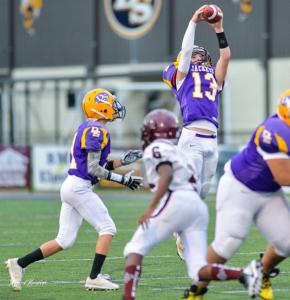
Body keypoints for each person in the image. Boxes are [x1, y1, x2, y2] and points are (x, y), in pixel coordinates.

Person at [6, 88, 143, 291]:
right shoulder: (97, 130)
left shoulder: (90, 128)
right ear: (101, 108)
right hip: (79, 188)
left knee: (64, 240)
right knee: (107, 228)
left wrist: (122, 161)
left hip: (74, 185)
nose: (115, 108)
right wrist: (123, 180)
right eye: (111, 104)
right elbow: (93, 168)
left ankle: (19, 264)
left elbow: (95, 166)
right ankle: (94, 278)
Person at [121, 109, 262, 300]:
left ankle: (128, 297)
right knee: (197, 270)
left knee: (134, 249)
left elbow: (166, 175)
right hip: (196, 207)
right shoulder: (177, 152)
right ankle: (245, 274)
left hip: (176, 201)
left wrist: (152, 208)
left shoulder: (156, 149)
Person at [194, 89, 290, 300]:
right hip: (240, 186)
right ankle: (196, 290)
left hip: (268, 191)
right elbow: (284, 176)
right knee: (228, 241)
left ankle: (261, 273)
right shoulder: (274, 131)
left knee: (287, 241)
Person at [162, 5, 231, 261]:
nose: (200, 57)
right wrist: (193, 21)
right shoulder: (182, 77)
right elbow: (187, 52)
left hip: (211, 140)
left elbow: (226, 57)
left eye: (203, 55)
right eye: (196, 55)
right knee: (191, 191)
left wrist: (219, 29)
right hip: (191, 137)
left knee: (202, 192)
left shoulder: (214, 76)